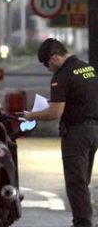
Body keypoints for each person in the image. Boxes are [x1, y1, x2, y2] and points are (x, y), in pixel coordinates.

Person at [23, 38, 98, 227]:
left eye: (47, 64)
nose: (48, 69)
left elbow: (55, 112)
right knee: (83, 180)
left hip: (76, 133)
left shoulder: (62, 75)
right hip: (94, 131)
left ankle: (82, 223)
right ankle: (84, 219)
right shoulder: (88, 69)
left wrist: (32, 115)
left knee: (75, 182)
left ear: (54, 57)